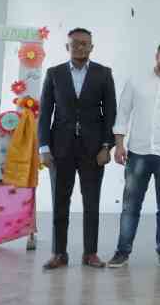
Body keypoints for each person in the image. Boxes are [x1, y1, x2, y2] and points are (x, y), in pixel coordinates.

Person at [107, 39, 160, 268]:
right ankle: (122, 251)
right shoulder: (136, 82)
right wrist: (119, 144)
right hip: (138, 153)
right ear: (157, 55)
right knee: (130, 206)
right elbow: (123, 113)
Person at [38, 28, 117, 270]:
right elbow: (45, 114)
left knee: (91, 202)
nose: (80, 47)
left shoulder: (103, 74)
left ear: (92, 47)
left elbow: (110, 113)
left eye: (85, 44)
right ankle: (59, 253)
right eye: (75, 44)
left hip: (93, 151)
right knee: (60, 202)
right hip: (60, 149)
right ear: (67, 47)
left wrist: (107, 146)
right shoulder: (54, 74)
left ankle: (90, 253)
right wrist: (43, 147)